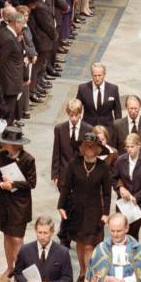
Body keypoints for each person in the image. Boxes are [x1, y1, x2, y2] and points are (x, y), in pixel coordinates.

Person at [58, 132, 111, 282]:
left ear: (97, 149)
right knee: (80, 244)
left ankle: (88, 274)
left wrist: (106, 213)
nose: (89, 148)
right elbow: (66, 187)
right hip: (76, 210)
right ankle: (82, 270)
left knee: (89, 245)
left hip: (94, 212)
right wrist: (61, 206)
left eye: (92, 146)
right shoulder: (74, 164)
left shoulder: (103, 167)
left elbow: (107, 193)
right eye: (86, 145)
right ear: (81, 148)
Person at [0, 126, 36, 276]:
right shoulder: (1, 155)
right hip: (5, 202)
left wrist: (13, 183)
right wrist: (1, 184)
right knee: (7, 235)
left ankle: (19, 271)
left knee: (17, 239)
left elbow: (32, 183)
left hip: (19, 205)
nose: (3, 145)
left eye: (5, 142)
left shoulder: (28, 159)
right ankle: (10, 267)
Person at [51, 98, 93, 247]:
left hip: (81, 176)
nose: (73, 118)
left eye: (76, 115)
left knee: (78, 205)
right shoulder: (60, 129)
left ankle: (74, 233)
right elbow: (56, 152)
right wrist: (54, 174)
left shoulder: (88, 129)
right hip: (64, 175)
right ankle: (65, 238)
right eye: (71, 115)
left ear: (80, 114)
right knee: (65, 205)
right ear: (67, 114)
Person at [112, 133, 141, 241]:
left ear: (139, 145)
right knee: (120, 233)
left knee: (133, 234)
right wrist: (120, 187)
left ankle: (132, 256)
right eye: (127, 147)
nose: (129, 150)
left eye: (132, 147)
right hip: (123, 203)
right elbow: (113, 178)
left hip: (138, 204)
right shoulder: (121, 160)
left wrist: (137, 197)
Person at [76, 62, 121, 141]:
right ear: (91, 75)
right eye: (94, 75)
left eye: (99, 75)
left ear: (104, 74)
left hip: (107, 130)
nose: (97, 78)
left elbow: (117, 112)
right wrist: (79, 125)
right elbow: (77, 109)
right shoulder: (83, 88)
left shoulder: (113, 89)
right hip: (88, 128)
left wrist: (118, 130)